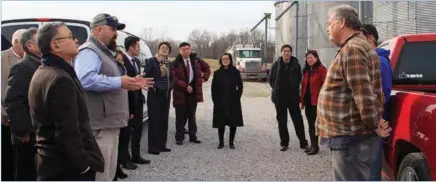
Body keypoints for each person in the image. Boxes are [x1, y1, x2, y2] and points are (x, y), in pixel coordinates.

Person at [73, 13, 154, 181]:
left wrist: (130, 82)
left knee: (108, 173)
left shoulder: (104, 52)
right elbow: (85, 79)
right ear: (98, 30)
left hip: (109, 124)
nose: (116, 33)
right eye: (112, 29)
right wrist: (119, 82)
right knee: (100, 174)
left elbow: (110, 78)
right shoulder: (89, 51)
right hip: (99, 126)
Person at [317, 4, 391, 180]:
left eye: (330, 23)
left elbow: (364, 96)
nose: (328, 28)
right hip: (350, 138)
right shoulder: (355, 47)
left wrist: (374, 125)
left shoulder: (353, 49)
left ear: (342, 22)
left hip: (350, 139)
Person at [28, 22, 104, 181]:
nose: (76, 40)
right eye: (71, 37)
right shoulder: (60, 79)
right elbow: (67, 132)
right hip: (66, 169)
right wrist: (83, 165)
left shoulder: (43, 72)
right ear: (55, 45)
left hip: (51, 164)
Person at [3, 27, 40, 181]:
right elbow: (13, 99)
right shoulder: (22, 67)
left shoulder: (38, 63)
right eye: (41, 40)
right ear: (30, 45)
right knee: (26, 172)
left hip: (36, 131)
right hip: (27, 135)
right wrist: (22, 130)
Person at [361, 23, 393, 181]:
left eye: (359, 39)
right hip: (371, 121)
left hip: (375, 122)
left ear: (370, 38)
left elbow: (383, 96)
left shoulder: (379, 62)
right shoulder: (371, 60)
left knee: (371, 169)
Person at [267, 44, 308, 152]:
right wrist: (276, 89)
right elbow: (271, 79)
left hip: (292, 97)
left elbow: (299, 78)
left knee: (298, 120)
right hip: (280, 98)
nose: (286, 53)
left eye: (288, 51)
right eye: (284, 51)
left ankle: (303, 142)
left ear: (291, 53)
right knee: (282, 121)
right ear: (281, 53)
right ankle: (284, 143)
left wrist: (294, 88)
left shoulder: (296, 64)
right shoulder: (276, 64)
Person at [120, 36, 150, 168]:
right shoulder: (122, 61)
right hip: (127, 102)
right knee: (126, 133)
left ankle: (136, 155)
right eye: (138, 46)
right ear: (131, 47)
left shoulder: (136, 61)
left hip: (138, 100)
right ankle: (124, 160)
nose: (139, 49)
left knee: (138, 129)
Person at [172, 42, 210, 145]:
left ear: (190, 49)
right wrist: (185, 86)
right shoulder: (175, 62)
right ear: (180, 50)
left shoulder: (196, 60)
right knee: (180, 117)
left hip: (193, 93)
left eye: (187, 49)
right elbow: (174, 78)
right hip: (180, 93)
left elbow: (207, 68)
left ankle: (193, 137)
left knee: (191, 116)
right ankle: (179, 138)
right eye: (183, 49)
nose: (186, 51)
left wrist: (203, 78)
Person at [1, 28, 25, 181]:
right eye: (27, 42)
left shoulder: (36, 59)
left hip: (25, 121)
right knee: (6, 163)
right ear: (16, 42)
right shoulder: (2, 58)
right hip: (4, 120)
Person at [144, 41, 173, 155]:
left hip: (165, 95)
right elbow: (146, 76)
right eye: (162, 47)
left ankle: (162, 145)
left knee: (163, 120)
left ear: (169, 51)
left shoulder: (169, 64)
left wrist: (170, 86)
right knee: (154, 121)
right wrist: (153, 85)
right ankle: (153, 147)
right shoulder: (151, 61)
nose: (164, 49)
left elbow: (172, 78)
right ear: (158, 49)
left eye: (166, 48)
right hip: (154, 94)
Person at [211, 53, 243, 149]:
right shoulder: (217, 73)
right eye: (223, 59)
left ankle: (231, 142)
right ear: (221, 61)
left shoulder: (235, 72)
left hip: (233, 101)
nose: (225, 60)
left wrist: (237, 97)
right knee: (221, 122)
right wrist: (215, 100)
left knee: (233, 122)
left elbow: (240, 86)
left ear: (230, 60)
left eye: (227, 59)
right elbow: (213, 89)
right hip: (220, 102)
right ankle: (221, 142)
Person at [299, 50, 327, 155]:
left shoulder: (321, 70)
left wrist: (322, 98)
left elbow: (326, 86)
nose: (309, 60)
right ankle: (313, 145)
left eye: (311, 57)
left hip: (317, 102)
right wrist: (301, 101)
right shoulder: (306, 71)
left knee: (315, 124)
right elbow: (303, 88)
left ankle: (315, 146)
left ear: (316, 58)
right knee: (310, 124)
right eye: (308, 58)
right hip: (308, 101)